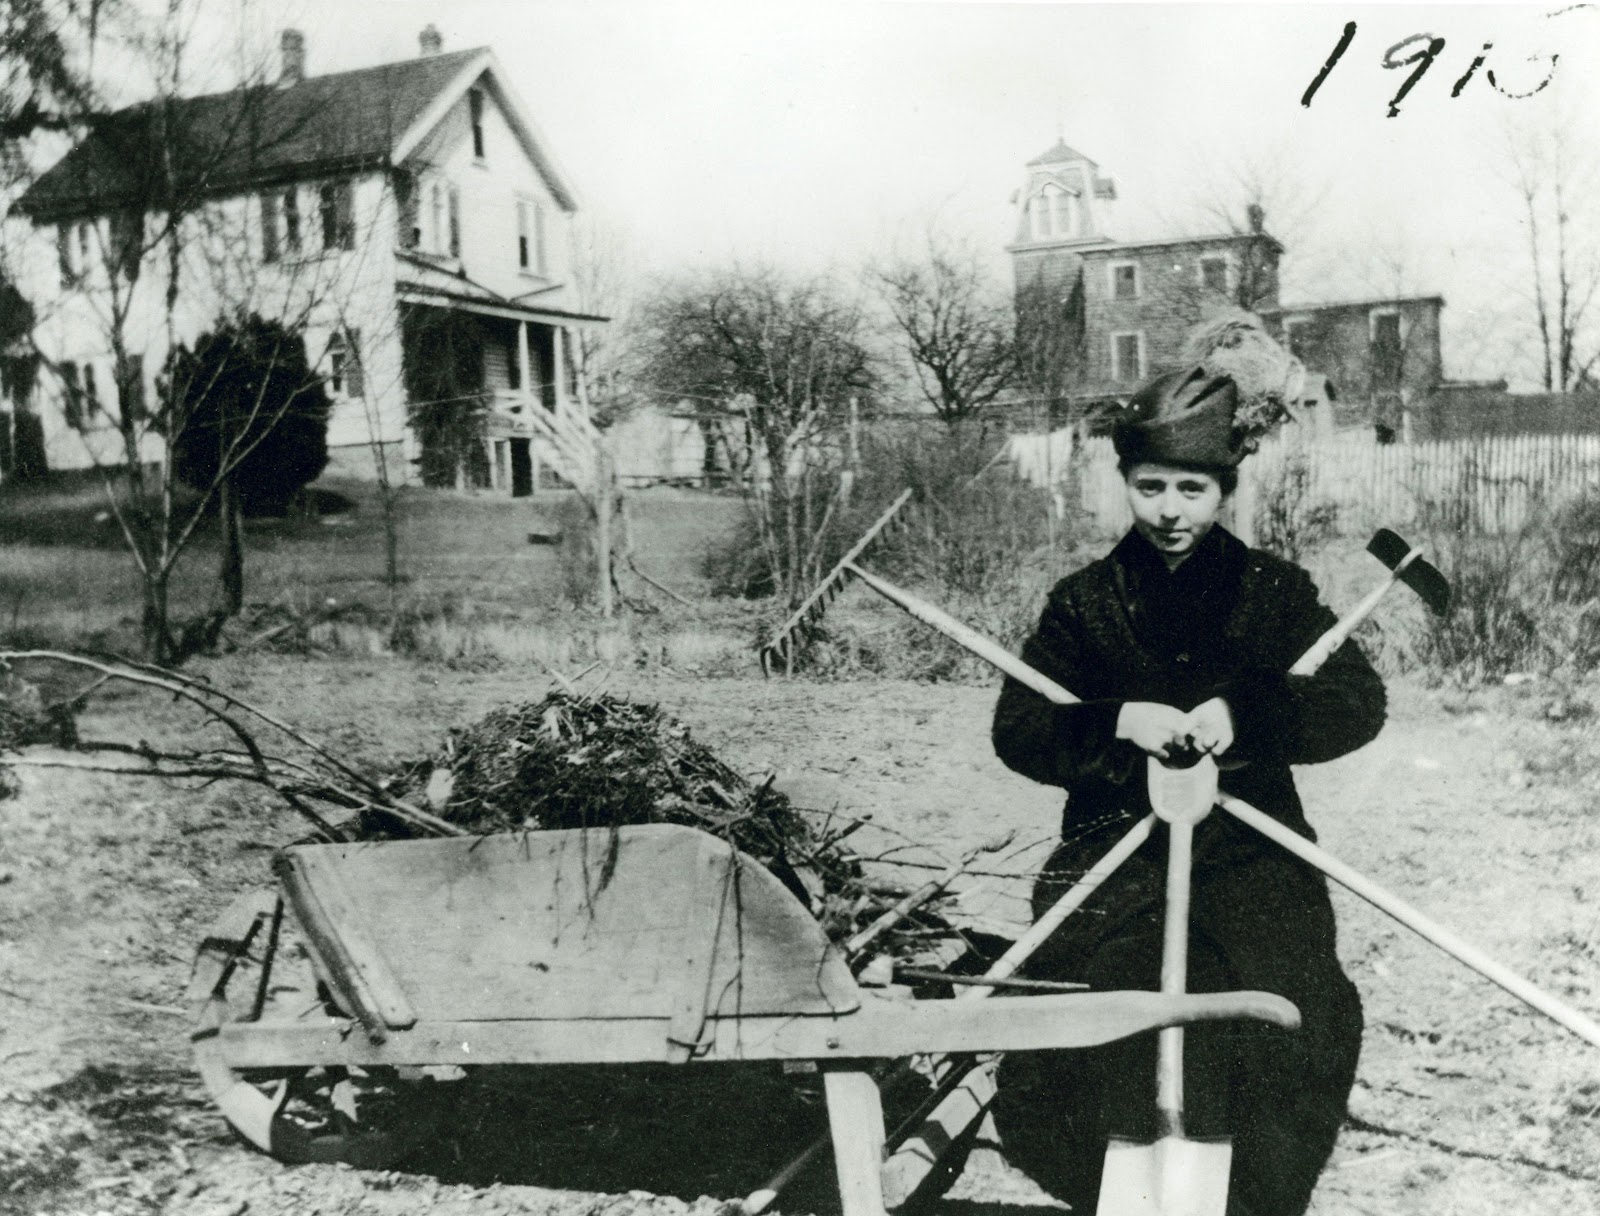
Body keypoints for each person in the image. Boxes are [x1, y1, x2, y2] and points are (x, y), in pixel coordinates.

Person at [989, 362, 1387, 1216]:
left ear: (1224, 491)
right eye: (1151, 486)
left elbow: (1356, 704)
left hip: (1251, 852)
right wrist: (1116, 722)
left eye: (1193, 489)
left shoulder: (1273, 594)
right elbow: (1018, 728)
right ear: (1126, 482)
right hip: (1116, 858)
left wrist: (1247, 712)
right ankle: (1118, 1190)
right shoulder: (1085, 603)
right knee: (1086, 1021)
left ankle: (1252, 1200)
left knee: (1294, 1016)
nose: (1170, 510)